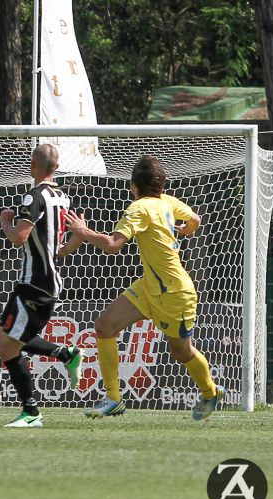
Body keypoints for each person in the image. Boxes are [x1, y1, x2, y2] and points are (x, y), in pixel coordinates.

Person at [65, 155, 226, 420]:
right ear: (160, 184)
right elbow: (195, 219)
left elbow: (113, 245)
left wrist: (83, 230)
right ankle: (113, 398)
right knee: (105, 326)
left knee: (181, 351)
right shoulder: (169, 201)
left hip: (174, 293)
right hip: (150, 285)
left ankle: (210, 392)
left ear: (133, 186)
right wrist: (187, 229)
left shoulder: (138, 209)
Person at [0, 144, 85, 428]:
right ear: (56, 168)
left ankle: (32, 412)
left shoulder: (32, 197)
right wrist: (79, 238)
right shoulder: (63, 199)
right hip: (43, 282)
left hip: (36, 282)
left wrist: (6, 223)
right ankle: (64, 355)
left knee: (9, 344)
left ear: (32, 165)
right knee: (6, 339)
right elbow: (61, 250)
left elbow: (19, 237)